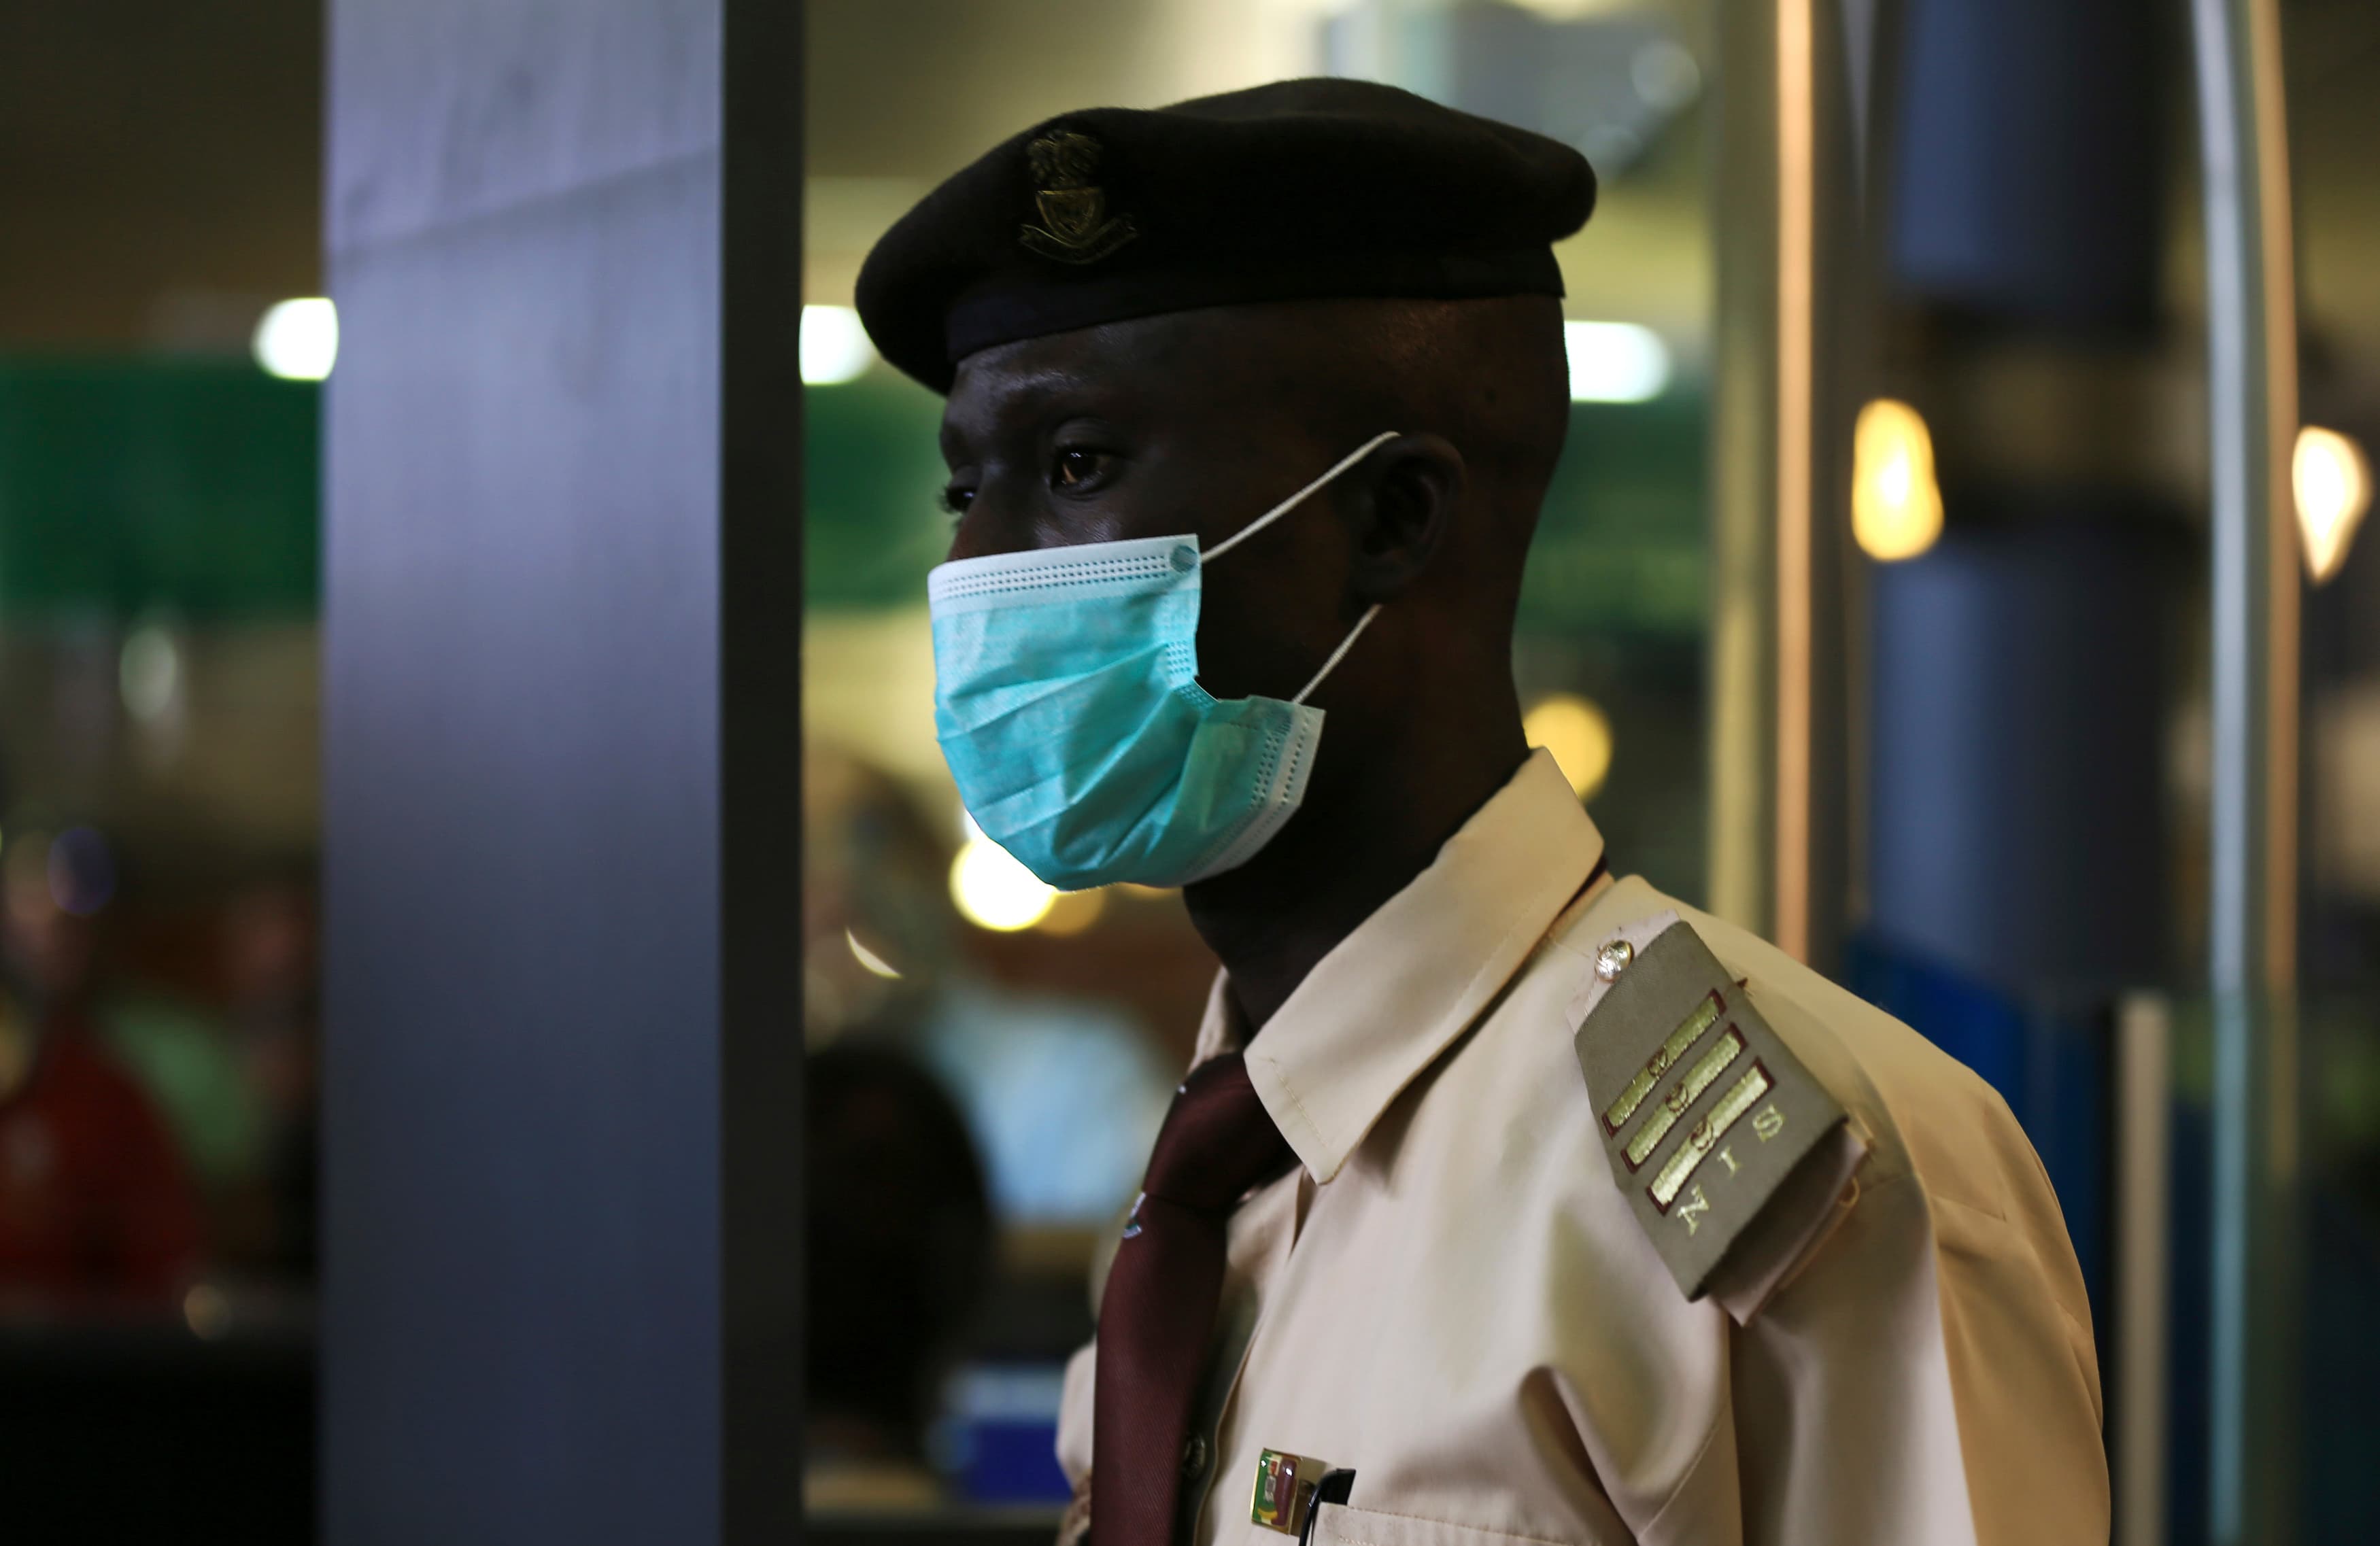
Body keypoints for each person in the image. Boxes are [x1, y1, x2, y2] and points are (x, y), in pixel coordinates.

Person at [855, 78, 2105, 1546]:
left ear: (1389, 519)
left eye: (1074, 468)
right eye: (963, 490)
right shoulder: (1211, 1180)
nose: (982, 570)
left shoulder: (1804, 1193)